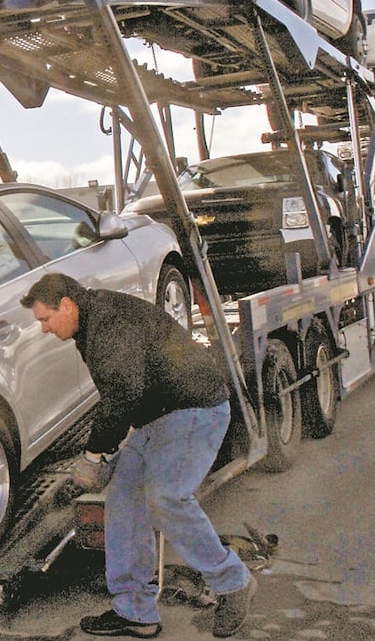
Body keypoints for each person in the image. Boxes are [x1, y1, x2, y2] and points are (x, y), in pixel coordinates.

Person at [19, 272, 255, 639]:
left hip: (193, 409)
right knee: (124, 503)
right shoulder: (91, 322)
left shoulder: (108, 322)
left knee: (166, 495)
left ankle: (233, 582)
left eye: (45, 319)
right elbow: (126, 391)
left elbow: (124, 392)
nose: (44, 329)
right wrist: (109, 452)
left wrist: (94, 454)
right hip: (154, 420)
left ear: (65, 305)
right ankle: (135, 611)